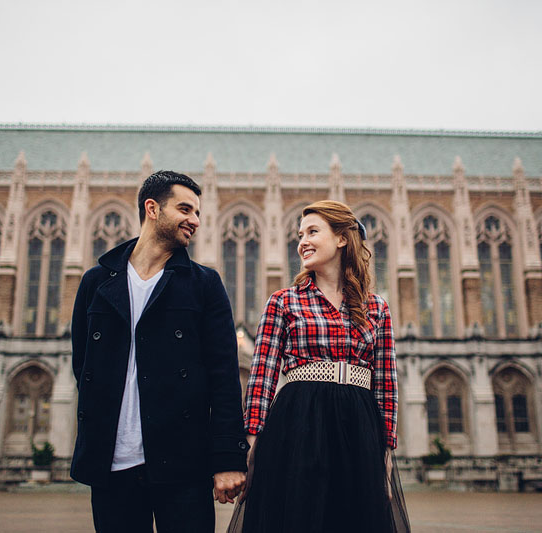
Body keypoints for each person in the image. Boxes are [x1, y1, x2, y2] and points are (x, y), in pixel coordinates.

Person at [71, 170, 248, 532]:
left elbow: (225, 378)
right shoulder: (96, 282)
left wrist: (228, 458)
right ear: (152, 209)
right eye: (185, 209)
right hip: (112, 464)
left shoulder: (204, 284)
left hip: (183, 462)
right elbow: (83, 365)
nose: (195, 221)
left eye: (197, 213)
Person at [229, 200, 410, 533]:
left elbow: (386, 386)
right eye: (300, 234)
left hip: (358, 426)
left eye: (313, 232)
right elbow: (262, 380)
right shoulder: (283, 301)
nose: (302, 242)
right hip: (299, 422)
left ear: (342, 238)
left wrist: (385, 458)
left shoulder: (377, 308)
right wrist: (250, 449)